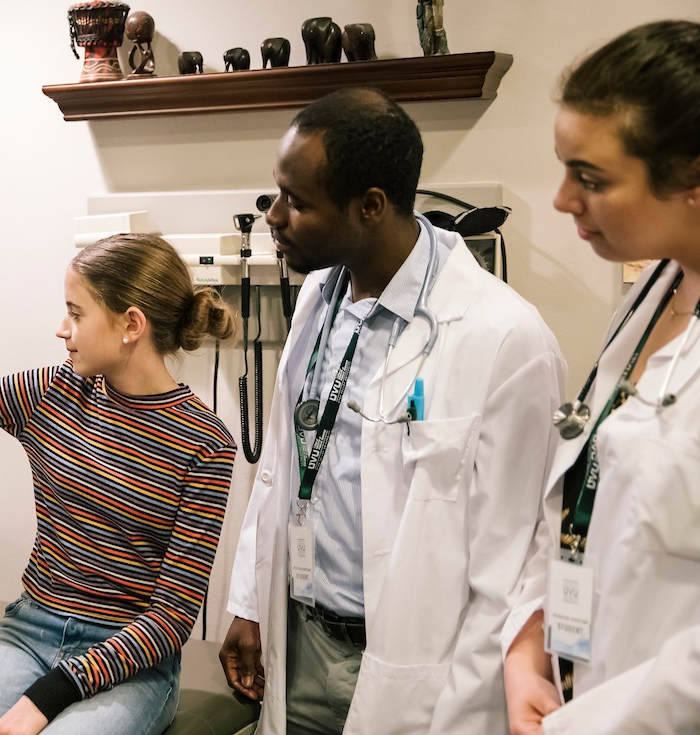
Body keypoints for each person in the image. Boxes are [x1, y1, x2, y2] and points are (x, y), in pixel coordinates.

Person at [218, 87, 566, 735]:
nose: (273, 216)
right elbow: (284, 468)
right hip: (298, 640)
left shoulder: (504, 338)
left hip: (407, 668)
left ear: (370, 206)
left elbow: (513, 564)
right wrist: (249, 602)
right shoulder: (320, 294)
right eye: (275, 194)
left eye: (296, 201)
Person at [0, 232, 239, 735]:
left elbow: (172, 617)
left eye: (76, 313)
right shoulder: (52, 392)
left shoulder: (205, 443)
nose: (62, 329)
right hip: (29, 629)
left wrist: (51, 694)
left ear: (131, 324)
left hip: (132, 661)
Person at [502, 20, 700, 735]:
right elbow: (583, 480)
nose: (562, 200)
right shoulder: (656, 285)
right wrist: (528, 639)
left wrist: (587, 726)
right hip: (577, 683)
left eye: (590, 178)